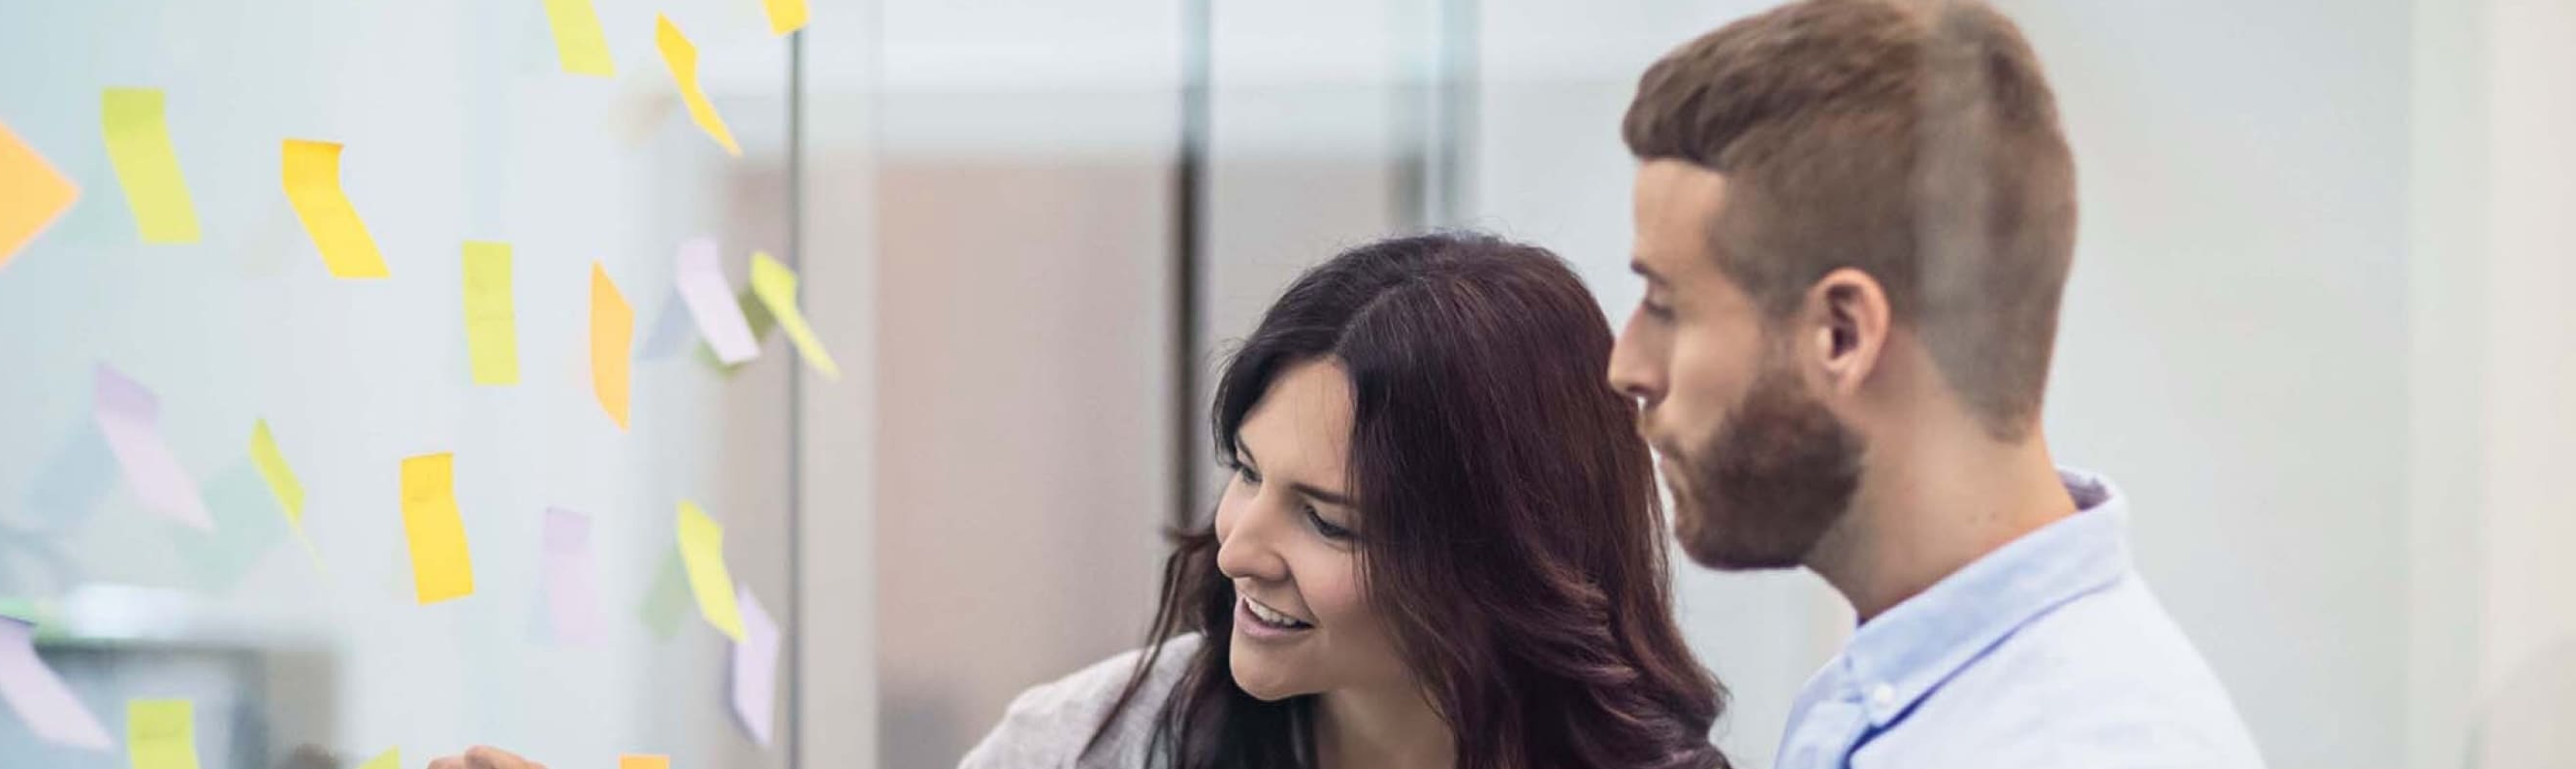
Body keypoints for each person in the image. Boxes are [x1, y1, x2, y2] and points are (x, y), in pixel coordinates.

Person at [1604, 1, 2265, 767]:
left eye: (1664, 305)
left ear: (1840, 335)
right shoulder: (1892, 697)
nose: (1627, 366)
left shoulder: (2079, 746)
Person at [959, 233, 1730, 769]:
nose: (1235, 550)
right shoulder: (1076, 744)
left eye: (1327, 520)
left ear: (1501, 558)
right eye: (1247, 470)